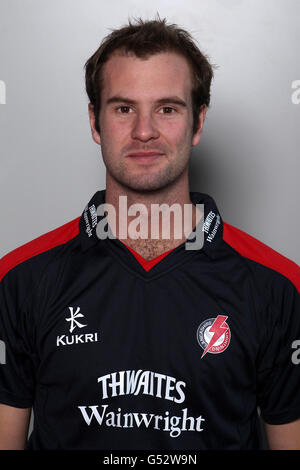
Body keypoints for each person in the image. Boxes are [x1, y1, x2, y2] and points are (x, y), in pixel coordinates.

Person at [0, 16, 299, 451]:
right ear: (95, 122)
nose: (144, 131)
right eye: (123, 108)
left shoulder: (277, 285)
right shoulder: (20, 278)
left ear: (197, 123)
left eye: (167, 108)